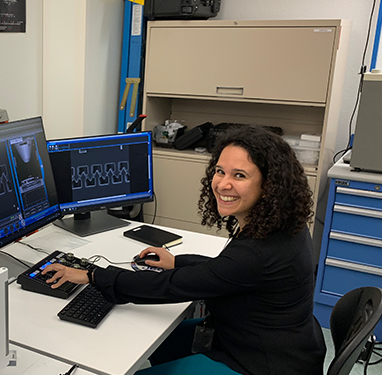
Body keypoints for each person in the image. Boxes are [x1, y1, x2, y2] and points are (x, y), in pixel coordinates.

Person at [42, 125, 326, 375]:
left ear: (269, 186)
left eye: (239, 175)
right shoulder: (283, 225)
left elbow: (172, 287)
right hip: (277, 343)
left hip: (261, 363)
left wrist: (92, 275)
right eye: (220, 171)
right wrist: (177, 260)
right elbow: (223, 272)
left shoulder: (257, 252)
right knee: (151, 339)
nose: (223, 184)